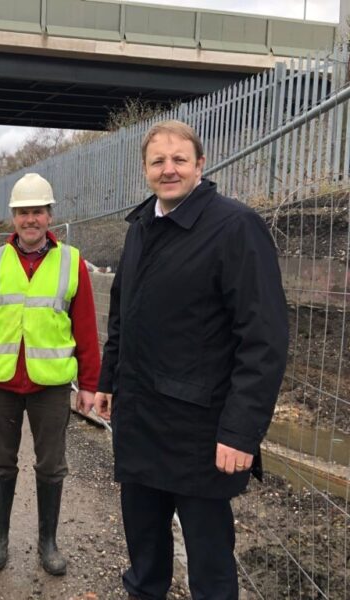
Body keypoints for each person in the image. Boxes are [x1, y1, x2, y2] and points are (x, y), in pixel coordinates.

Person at [94, 120, 289, 600]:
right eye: (158, 161)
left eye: (179, 159)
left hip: (199, 435)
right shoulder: (142, 227)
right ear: (145, 170)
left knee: (210, 565)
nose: (169, 169)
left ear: (200, 164)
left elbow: (263, 339)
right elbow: (124, 313)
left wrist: (241, 431)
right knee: (144, 558)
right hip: (140, 422)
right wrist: (109, 380)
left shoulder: (234, 227)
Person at [0, 173, 101, 576]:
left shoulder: (71, 262)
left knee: (51, 465)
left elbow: (86, 328)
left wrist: (89, 384)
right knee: (0, 463)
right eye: (23, 212)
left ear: (49, 215)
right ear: (13, 217)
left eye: (37, 211)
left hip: (50, 386)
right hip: (0, 384)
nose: (30, 219)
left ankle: (48, 542)